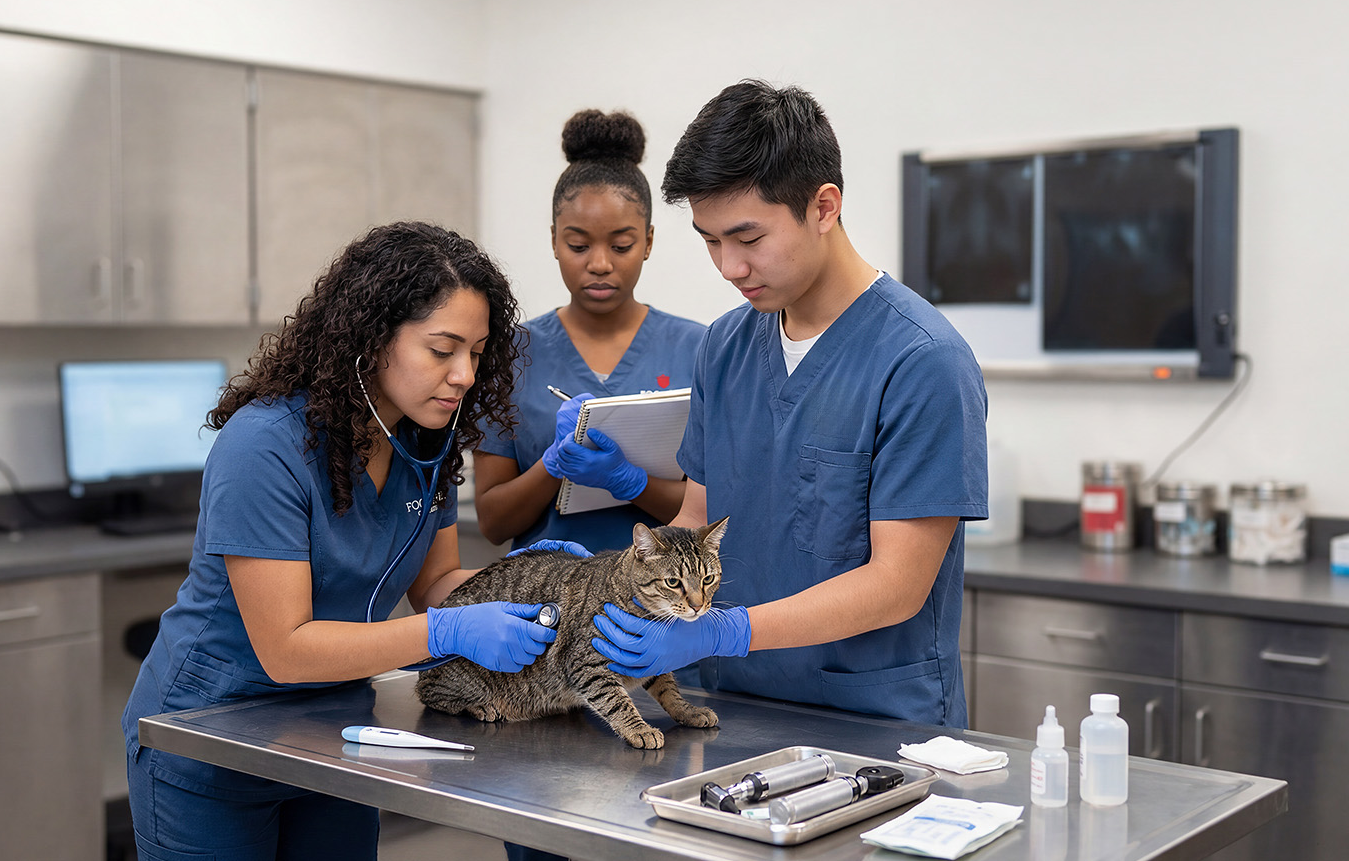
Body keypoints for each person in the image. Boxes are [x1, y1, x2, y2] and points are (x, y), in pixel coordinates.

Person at [123, 221, 560, 861]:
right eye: (442, 350)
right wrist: (447, 633)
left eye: (477, 350)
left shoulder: (424, 442)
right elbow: (287, 650)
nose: (465, 374)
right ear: (373, 338)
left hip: (335, 730)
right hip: (211, 732)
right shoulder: (265, 445)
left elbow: (435, 584)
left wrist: (539, 588)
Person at [592, 81, 988, 728]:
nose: (728, 265)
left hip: (871, 720)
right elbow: (697, 517)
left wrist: (725, 631)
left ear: (823, 206)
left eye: (747, 237)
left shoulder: (923, 361)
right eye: (710, 240)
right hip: (730, 702)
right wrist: (607, 580)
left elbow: (897, 585)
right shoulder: (725, 347)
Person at [473, 109, 706, 555]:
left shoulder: (700, 350)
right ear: (555, 240)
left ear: (649, 241)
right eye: (578, 245)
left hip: (659, 611)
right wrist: (554, 463)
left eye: (621, 245)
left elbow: (711, 511)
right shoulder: (509, 354)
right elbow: (493, 522)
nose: (600, 263)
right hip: (545, 609)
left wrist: (630, 481)